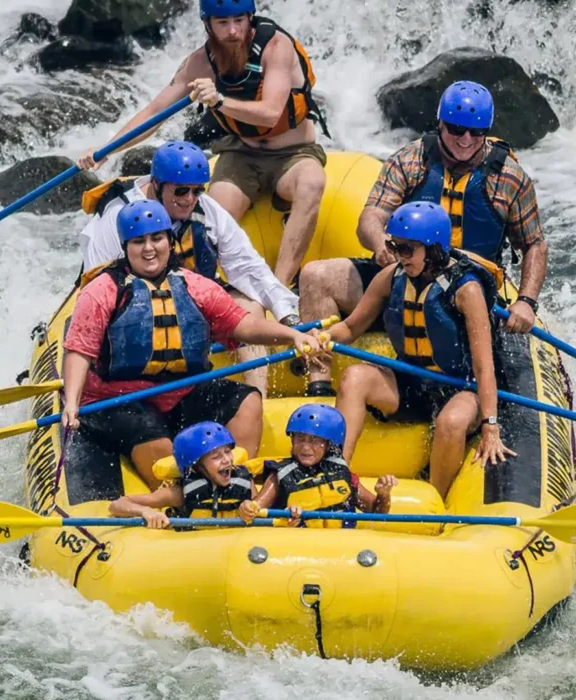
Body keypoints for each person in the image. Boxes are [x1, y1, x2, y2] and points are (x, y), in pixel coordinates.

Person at [296, 81, 549, 396]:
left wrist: (525, 301)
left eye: (477, 131)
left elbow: (534, 244)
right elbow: (371, 217)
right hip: (406, 272)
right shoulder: (411, 160)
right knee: (315, 275)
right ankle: (318, 384)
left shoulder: (509, 178)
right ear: (440, 123)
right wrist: (381, 246)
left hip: (463, 290)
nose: (467, 139)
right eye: (457, 129)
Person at [62, 200, 320, 489]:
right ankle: (181, 495)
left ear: (170, 242)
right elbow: (79, 350)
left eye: (157, 238)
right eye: (138, 241)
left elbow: (243, 325)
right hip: (121, 399)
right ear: (125, 247)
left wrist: (292, 334)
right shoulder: (103, 290)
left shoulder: (195, 286)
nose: (149, 248)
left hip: (182, 392)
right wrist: (71, 404)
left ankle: (237, 483)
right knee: (149, 431)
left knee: (246, 399)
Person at [76, 0, 329, 288]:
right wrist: (106, 150)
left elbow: (271, 112)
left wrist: (219, 100)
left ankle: (281, 288)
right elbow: (152, 114)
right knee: (205, 213)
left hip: (294, 154)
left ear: (250, 18)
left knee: (311, 183)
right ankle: (191, 291)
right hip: (241, 154)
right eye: (223, 23)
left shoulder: (276, 47)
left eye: (239, 20)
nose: (233, 31)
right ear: (208, 25)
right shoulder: (200, 63)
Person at [318, 202, 516, 501]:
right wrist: (319, 339)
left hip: (461, 386)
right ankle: (337, 478)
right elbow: (350, 327)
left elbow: (483, 365)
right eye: (394, 247)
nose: (399, 256)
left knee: (451, 421)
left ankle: (435, 498)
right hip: (412, 383)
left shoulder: (466, 290)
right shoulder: (392, 276)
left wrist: (490, 425)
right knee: (355, 377)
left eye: (407, 249)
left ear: (434, 249)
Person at [77, 141, 301, 395]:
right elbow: (98, 285)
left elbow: (248, 267)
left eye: (197, 191)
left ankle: (257, 398)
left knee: (250, 306)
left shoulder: (205, 209)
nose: (190, 200)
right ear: (157, 185)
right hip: (134, 308)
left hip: (194, 300)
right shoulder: (119, 215)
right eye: (182, 191)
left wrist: (287, 315)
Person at [240, 403, 396, 528]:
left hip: (341, 548)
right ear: (292, 440)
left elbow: (377, 513)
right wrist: (249, 508)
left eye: (314, 440)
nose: (306, 447)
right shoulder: (279, 476)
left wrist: (383, 495)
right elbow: (253, 511)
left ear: (328, 444)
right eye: (300, 438)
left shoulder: (342, 472)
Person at [109, 421, 262, 528]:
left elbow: (262, 507)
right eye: (215, 457)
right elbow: (117, 505)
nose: (226, 460)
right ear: (195, 467)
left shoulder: (243, 482)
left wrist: (252, 507)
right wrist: (145, 511)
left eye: (227, 452)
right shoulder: (179, 493)